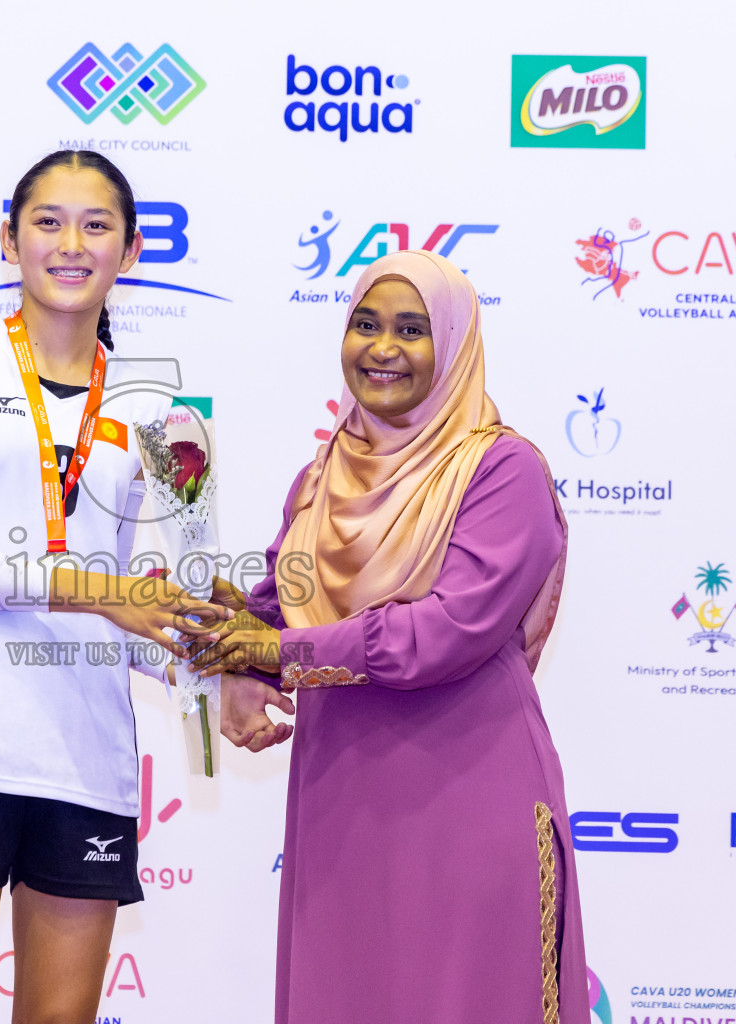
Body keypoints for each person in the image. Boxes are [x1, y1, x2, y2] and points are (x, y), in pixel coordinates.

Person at [191, 250, 585, 1022]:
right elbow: (282, 609)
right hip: (342, 805)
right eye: (365, 324)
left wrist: (279, 654)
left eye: (412, 330)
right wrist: (228, 650)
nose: (382, 348)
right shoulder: (325, 474)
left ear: (454, 346)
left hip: (468, 796)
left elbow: (446, 632)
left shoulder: (503, 471)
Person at [0, 150, 224, 1023]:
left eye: (97, 224)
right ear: (9, 239)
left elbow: (169, 603)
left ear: (133, 248)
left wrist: (227, 678)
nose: (71, 244)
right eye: (47, 221)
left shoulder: (160, 405)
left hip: (86, 755)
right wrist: (99, 591)